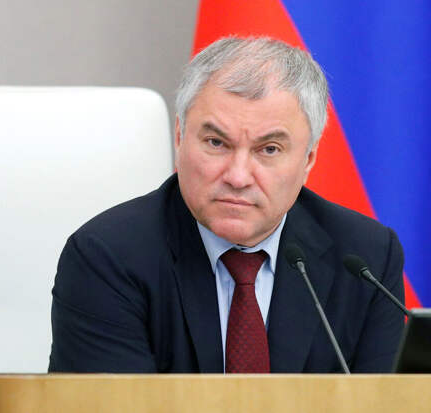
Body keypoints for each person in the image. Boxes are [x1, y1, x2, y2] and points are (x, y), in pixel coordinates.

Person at [48, 37, 405, 374]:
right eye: (216, 143)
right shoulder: (108, 257)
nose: (238, 176)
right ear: (179, 138)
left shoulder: (365, 259)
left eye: (269, 149)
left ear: (308, 159)